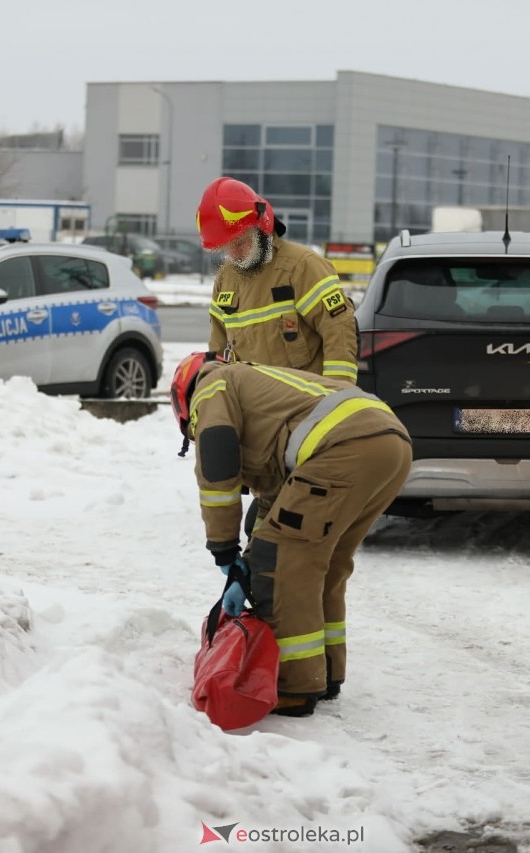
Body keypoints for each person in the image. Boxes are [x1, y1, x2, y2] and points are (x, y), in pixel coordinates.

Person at [170, 351, 412, 717]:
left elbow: (218, 471)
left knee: (283, 562)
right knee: (323, 563)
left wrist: (224, 549)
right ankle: (326, 672)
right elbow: (275, 502)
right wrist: (246, 564)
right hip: (389, 445)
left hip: (343, 448)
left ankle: (295, 687)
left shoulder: (211, 385)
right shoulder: (261, 392)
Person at [195, 177, 359, 382]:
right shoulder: (226, 279)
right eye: (227, 247)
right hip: (253, 406)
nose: (235, 253)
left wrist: (337, 395)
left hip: (306, 405)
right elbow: (218, 350)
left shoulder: (301, 267)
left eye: (241, 242)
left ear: (260, 228)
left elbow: (339, 330)